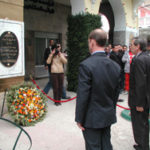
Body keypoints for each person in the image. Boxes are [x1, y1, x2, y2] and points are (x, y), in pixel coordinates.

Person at [75, 29, 120, 150]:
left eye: (88, 42)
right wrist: (111, 110)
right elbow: (116, 93)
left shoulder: (86, 65)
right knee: (106, 145)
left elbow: (83, 95)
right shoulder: (115, 66)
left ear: (92, 42)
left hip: (91, 118)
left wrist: (79, 118)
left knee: (93, 147)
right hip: (107, 114)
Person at [129, 37, 150, 150]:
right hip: (145, 98)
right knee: (143, 123)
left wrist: (139, 103)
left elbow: (140, 83)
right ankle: (142, 144)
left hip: (140, 100)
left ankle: (143, 146)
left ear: (138, 46)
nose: (130, 47)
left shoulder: (139, 60)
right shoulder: (146, 57)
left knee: (139, 124)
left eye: (132, 45)